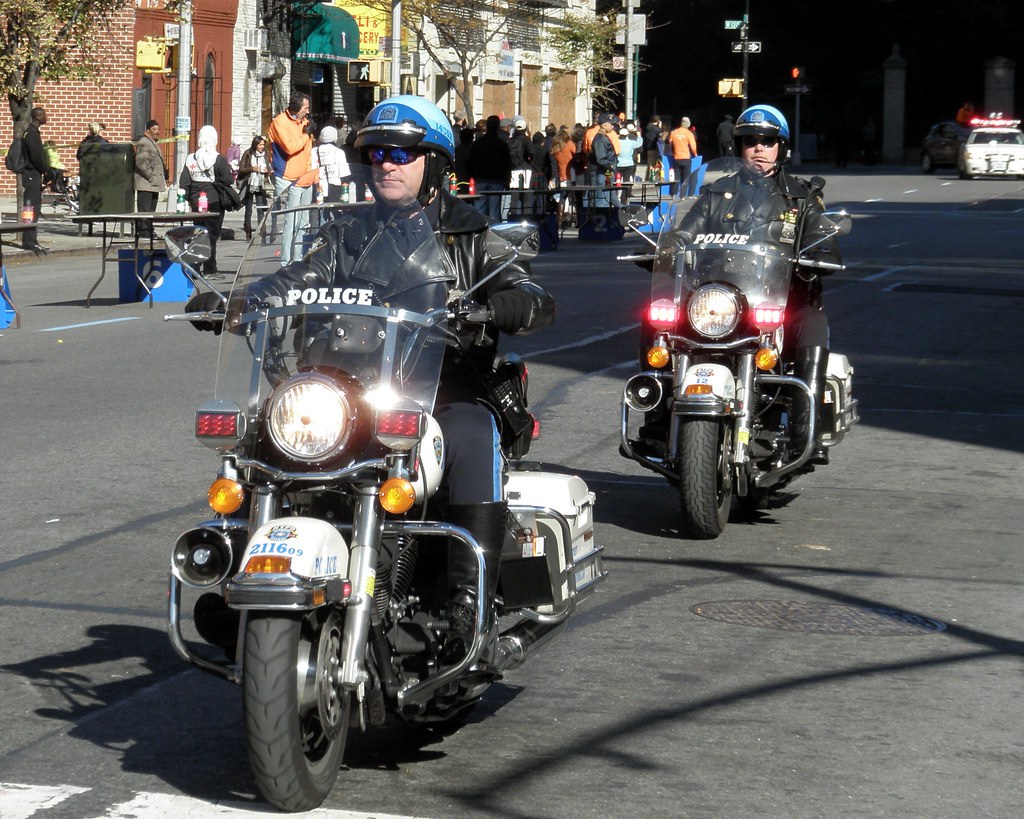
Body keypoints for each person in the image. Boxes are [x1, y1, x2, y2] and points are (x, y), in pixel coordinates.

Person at [205, 95, 556, 663]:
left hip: (439, 391)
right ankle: (236, 575)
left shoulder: (470, 235)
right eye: (375, 153)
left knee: (471, 434)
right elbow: (300, 275)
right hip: (344, 392)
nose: (386, 163)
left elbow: (525, 285)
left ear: (436, 162)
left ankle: (473, 603)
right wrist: (248, 298)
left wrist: (517, 300)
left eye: (402, 152)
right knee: (264, 436)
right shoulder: (347, 232)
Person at [663, 104, 841, 465]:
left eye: (767, 141)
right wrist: (668, 247)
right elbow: (686, 231)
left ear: (782, 147)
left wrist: (821, 250)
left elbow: (822, 236)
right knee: (659, 320)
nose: (758, 148)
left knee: (813, 324)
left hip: (779, 300)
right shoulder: (718, 193)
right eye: (750, 141)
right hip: (720, 299)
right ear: (739, 147)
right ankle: (656, 414)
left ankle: (805, 430)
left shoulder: (801, 197)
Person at [179, 124, 234, 278]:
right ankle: (210, 269)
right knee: (212, 236)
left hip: (197, 202)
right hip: (215, 202)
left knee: (198, 234)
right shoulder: (219, 158)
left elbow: (184, 181)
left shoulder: (191, 158)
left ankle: (195, 266)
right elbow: (228, 179)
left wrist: (189, 199)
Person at [268, 90, 317, 264]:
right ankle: (286, 262)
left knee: (303, 222)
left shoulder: (304, 122)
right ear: (296, 108)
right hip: (289, 177)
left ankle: (299, 260)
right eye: (306, 107)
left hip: (306, 177)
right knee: (291, 221)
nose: (308, 111)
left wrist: (314, 176)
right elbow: (289, 147)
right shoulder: (279, 122)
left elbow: (308, 151)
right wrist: (305, 134)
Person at [466, 114, 512, 223]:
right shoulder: (501, 144)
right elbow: (506, 163)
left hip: (480, 178)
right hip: (496, 179)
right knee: (494, 211)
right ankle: (494, 234)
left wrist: (471, 176)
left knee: (480, 209)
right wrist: (507, 179)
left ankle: (480, 233)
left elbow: (470, 160)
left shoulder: (478, 143)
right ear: (497, 127)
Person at [21, 107, 49, 253]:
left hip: (31, 175)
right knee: (32, 209)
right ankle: (29, 240)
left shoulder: (30, 132)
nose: (46, 117)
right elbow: (36, 156)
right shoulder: (32, 134)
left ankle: (29, 239)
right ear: (38, 117)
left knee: (29, 209)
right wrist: (46, 170)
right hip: (32, 175)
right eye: (44, 114)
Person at [134, 119, 168, 240]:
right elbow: (141, 162)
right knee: (145, 210)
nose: (157, 132)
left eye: (158, 129)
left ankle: (149, 230)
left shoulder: (153, 143)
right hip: (146, 184)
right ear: (147, 130)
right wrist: (151, 176)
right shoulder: (144, 142)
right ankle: (143, 231)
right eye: (154, 129)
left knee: (151, 210)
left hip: (153, 184)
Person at [238, 135, 272, 242]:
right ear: (255, 144)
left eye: (263, 145)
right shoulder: (248, 153)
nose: (262, 147)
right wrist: (252, 169)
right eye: (260, 144)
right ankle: (248, 233)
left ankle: (262, 235)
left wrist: (267, 171)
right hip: (249, 184)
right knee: (248, 211)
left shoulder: (266, 154)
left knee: (261, 209)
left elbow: (269, 169)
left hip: (261, 184)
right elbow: (241, 169)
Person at [311, 125, 351, 202]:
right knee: (334, 210)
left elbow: (313, 169)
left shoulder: (314, 151)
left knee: (319, 210)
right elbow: (344, 173)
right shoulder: (338, 152)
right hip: (335, 186)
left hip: (319, 186)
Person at [668, 115, 697, 198]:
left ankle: (673, 194)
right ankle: (682, 195)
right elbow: (693, 146)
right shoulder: (689, 134)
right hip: (686, 158)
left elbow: (669, 143)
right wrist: (695, 154)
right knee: (685, 178)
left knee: (676, 177)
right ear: (688, 124)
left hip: (676, 158)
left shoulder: (674, 132)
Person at [615, 124, 643, 203]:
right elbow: (639, 143)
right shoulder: (631, 142)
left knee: (616, 182)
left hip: (618, 164)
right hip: (629, 164)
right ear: (627, 135)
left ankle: (615, 198)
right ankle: (624, 200)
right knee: (627, 183)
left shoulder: (617, 142)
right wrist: (639, 136)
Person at [642, 116, 663, 181]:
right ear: (658, 121)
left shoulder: (648, 127)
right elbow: (661, 134)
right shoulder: (656, 129)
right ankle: (652, 178)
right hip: (654, 148)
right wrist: (660, 126)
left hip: (648, 148)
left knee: (649, 163)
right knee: (653, 164)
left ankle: (647, 177)